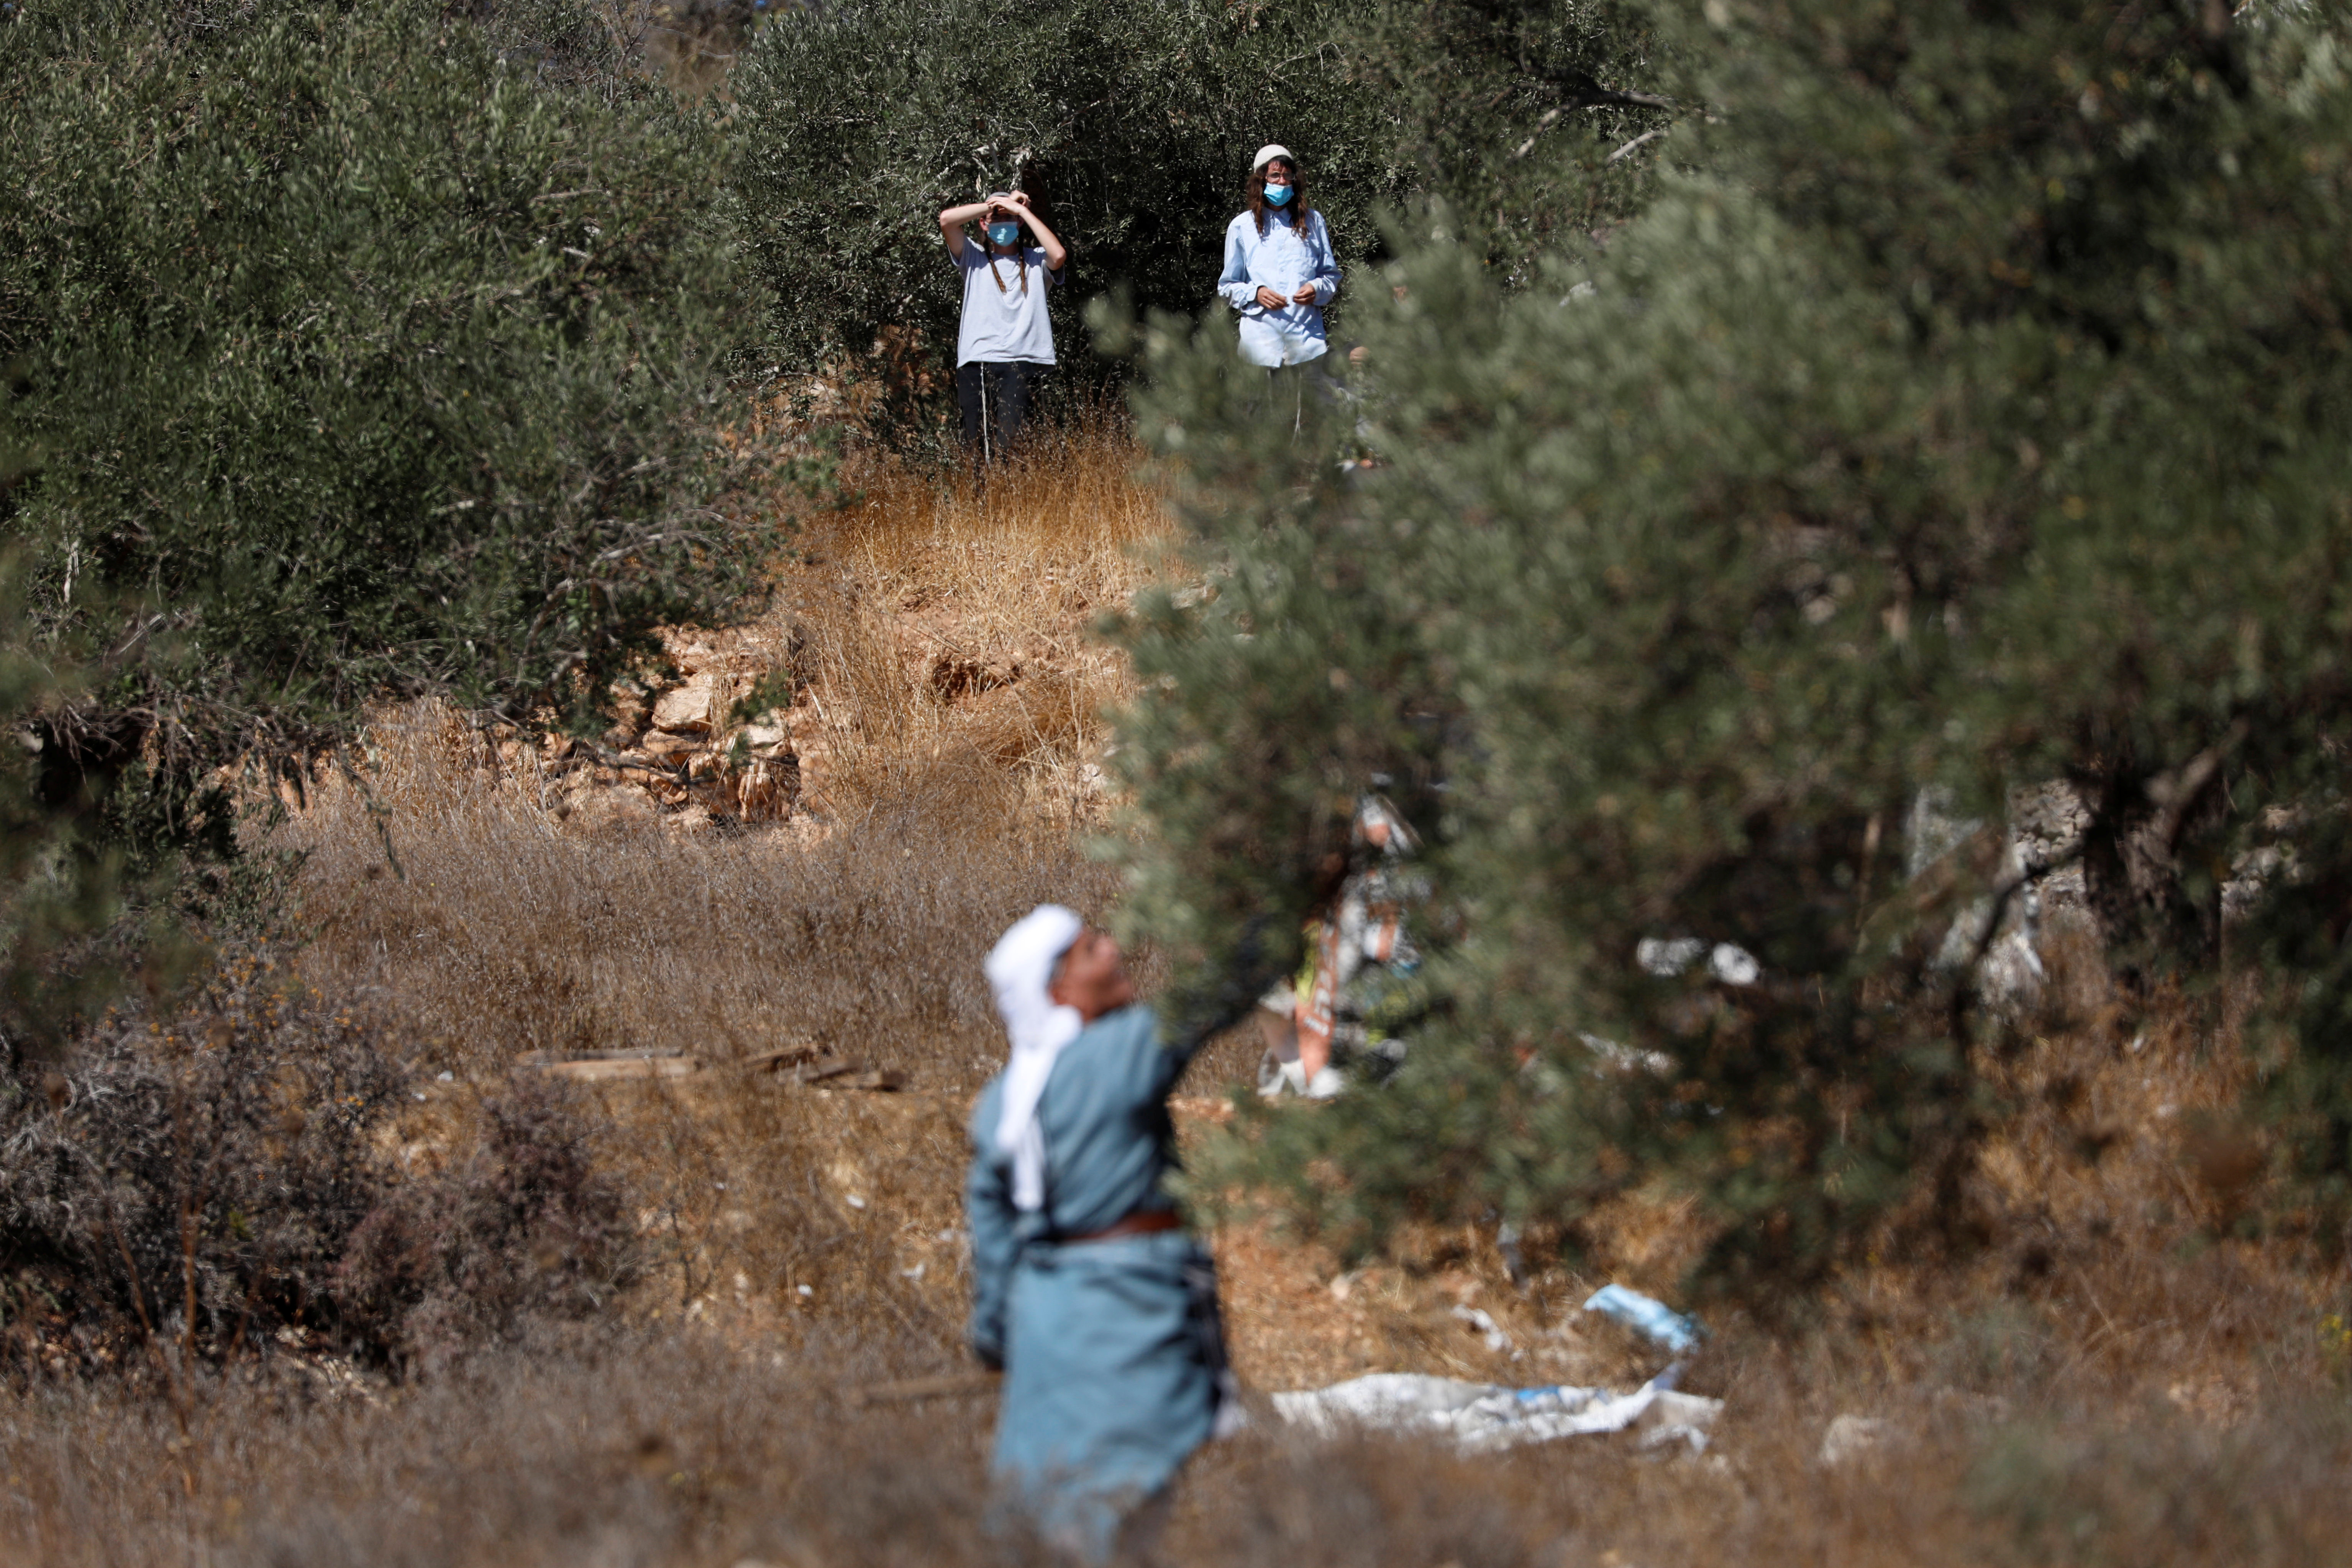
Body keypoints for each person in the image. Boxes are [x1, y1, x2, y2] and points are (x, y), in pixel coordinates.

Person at [966, 905, 1238, 1562]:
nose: (1113, 951)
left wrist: (1000, 1343)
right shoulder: (1120, 1055)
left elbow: (996, 1246)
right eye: (1091, 950)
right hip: (1128, 1313)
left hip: (1045, 1328)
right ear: (1056, 987)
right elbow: (1224, 987)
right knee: (1122, 1507)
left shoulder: (1002, 1104)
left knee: (1053, 1500)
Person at [938, 190, 1068, 461]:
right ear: (983, 224)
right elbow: (947, 220)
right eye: (995, 219)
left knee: (1012, 445)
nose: (1002, 224)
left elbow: (1059, 255)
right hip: (977, 361)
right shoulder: (973, 257)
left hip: (1022, 361)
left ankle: (1009, 500)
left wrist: (1022, 211)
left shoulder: (1036, 259)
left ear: (1019, 223)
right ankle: (981, 502)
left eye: (1008, 218)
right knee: (975, 446)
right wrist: (991, 205)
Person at [1216, 144, 1341, 414]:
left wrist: (1317, 288)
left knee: (1310, 427)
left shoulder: (1313, 222)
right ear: (1261, 180)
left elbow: (1331, 276)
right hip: (1260, 349)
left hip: (1307, 346)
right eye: (1275, 176)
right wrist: (1256, 293)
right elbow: (1227, 287)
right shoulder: (1242, 227)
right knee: (1260, 431)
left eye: (1288, 176)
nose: (1282, 182)